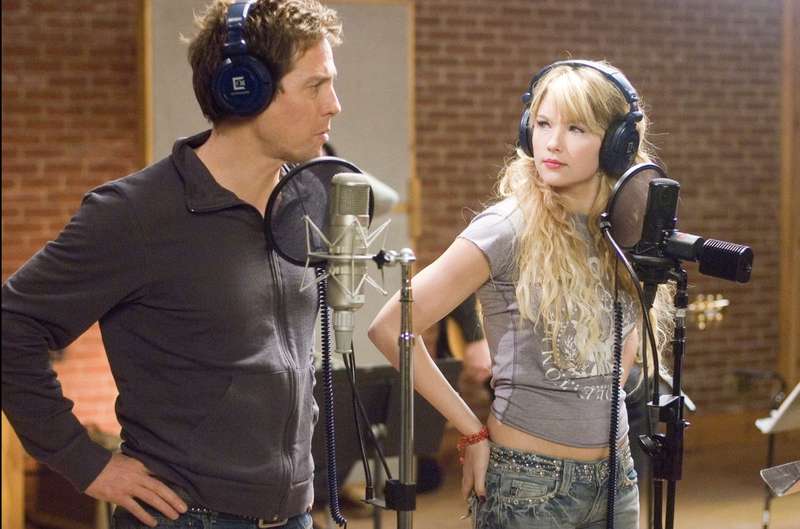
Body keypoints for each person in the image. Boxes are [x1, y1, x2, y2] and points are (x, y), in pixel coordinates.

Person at [1, 1, 342, 528]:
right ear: (243, 88)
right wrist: (84, 462)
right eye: (315, 86)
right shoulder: (134, 214)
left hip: (291, 515)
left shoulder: (301, 202)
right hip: (189, 518)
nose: (334, 105)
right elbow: (11, 324)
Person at [369, 59, 672, 529]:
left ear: (618, 145)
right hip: (529, 486)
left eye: (575, 128)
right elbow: (391, 327)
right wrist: (470, 431)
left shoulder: (626, 230)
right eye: (544, 123)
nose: (551, 142)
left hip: (618, 477)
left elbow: (625, 351)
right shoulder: (507, 227)